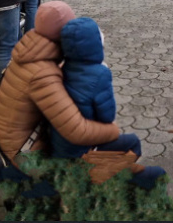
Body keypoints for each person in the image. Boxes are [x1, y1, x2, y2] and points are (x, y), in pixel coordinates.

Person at [0, 2, 121, 181]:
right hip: (22, 152)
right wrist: (112, 131)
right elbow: (75, 130)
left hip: (5, 137)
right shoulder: (43, 73)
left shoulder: (31, 49)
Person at [51, 17, 166, 190]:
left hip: (60, 148)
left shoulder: (62, 69)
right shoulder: (99, 74)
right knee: (132, 143)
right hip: (80, 153)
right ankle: (102, 179)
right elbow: (107, 117)